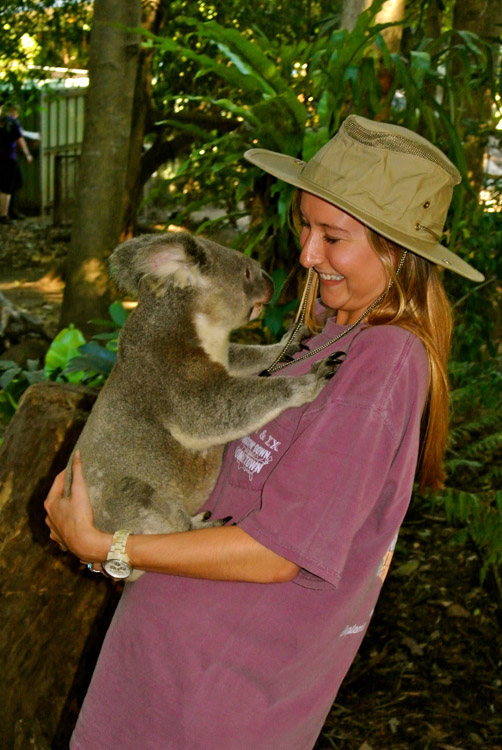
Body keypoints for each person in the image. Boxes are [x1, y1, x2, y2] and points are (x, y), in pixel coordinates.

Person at [45, 115, 484, 750]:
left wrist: (110, 545)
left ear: (397, 252)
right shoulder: (321, 339)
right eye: (307, 228)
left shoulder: (385, 361)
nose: (307, 255)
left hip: (218, 705)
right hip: (153, 672)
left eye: (333, 238)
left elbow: (279, 553)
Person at [0, 101, 33, 225]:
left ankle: (10, 210)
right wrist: (27, 154)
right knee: (7, 186)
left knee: (15, 182)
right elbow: (19, 139)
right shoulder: (11, 123)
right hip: (8, 158)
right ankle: (3, 215)